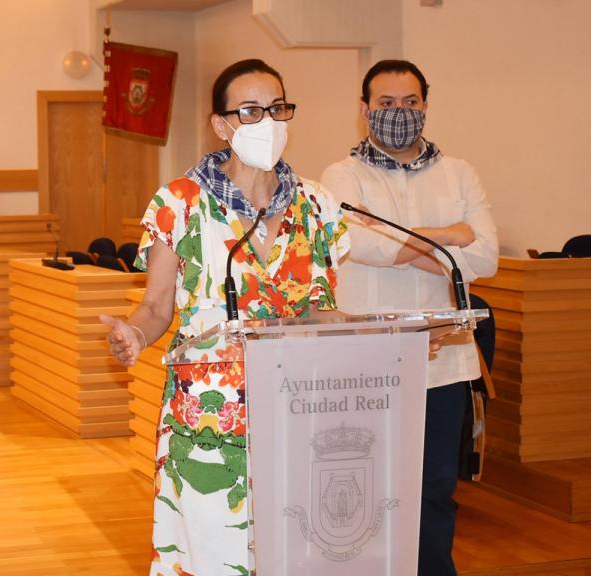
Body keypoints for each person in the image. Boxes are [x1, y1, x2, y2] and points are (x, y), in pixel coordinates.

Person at [101, 59, 350, 576]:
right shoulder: (181, 203)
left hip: (299, 407)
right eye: (251, 111)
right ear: (222, 125)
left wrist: (393, 343)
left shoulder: (317, 205)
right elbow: (156, 307)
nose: (269, 122)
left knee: (298, 548)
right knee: (213, 554)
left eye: (277, 108)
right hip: (210, 419)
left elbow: (319, 311)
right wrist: (135, 335)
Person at [320, 59, 499, 576]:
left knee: (435, 487)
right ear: (364, 110)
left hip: (443, 363)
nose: (400, 113)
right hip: (366, 363)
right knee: (368, 488)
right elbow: (356, 241)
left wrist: (401, 240)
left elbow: (484, 258)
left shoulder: (459, 172)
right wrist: (447, 235)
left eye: (410, 103)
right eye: (386, 104)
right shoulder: (342, 174)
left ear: (426, 104)